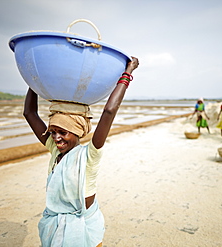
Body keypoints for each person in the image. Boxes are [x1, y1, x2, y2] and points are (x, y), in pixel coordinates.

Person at [23, 57, 139, 246]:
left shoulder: (89, 155)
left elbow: (109, 111)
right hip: (54, 224)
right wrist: (34, 79)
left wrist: (128, 72)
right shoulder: (55, 151)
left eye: (63, 132)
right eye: (52, 132)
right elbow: (29, 113)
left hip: (85, 226)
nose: (56, 138)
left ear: (77, 132)